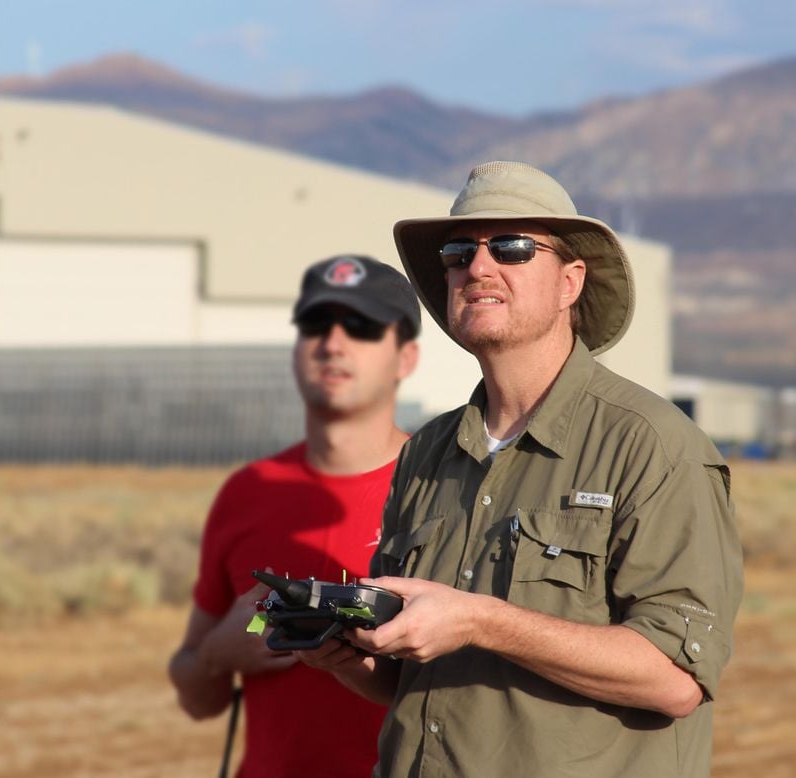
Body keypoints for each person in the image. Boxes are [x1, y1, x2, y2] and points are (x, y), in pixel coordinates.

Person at [298, 161, 744, 777]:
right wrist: (346, 652)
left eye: (511, 248)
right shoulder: (425, 453)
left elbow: (675, 678)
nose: (478, 268)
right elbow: (405, 679)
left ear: (570, 282)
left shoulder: (653, 447)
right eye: (459, 253)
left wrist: (480, 620)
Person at [168, 254, 422, 778]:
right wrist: (218, 653)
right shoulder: (249, 491)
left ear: (406, 358)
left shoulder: (447, 488)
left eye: (362, 327)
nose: (333, 343)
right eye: (315, 325)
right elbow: (197, 696)